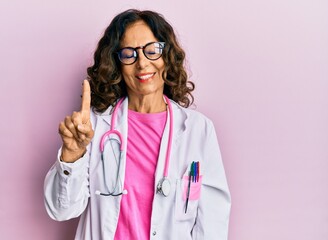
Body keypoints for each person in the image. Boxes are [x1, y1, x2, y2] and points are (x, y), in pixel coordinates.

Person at [44, 9, 231, 240]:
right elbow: (61, 210)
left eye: (152, 50)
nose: (142, 63)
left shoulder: (198, 130)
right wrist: (73, 155)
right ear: (117, 63)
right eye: (129, 53)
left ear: (167, 56)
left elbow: (212, 225)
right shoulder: (94, 126)